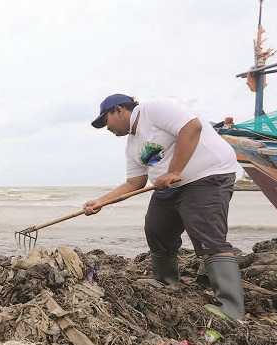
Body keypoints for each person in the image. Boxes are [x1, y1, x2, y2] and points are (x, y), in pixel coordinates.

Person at [87, 94, 244, 320]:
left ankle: (231, 309)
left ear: (119, 110)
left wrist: (174, 171)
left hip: (207, 177)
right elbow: (135, 183)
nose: (106, 128)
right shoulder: (132, 145)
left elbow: (192, 127)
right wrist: (101, 201)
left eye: (105, 121)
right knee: (156, 229)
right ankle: (166, 281)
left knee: (208, 237)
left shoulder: (154, 109)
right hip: (170, 187)